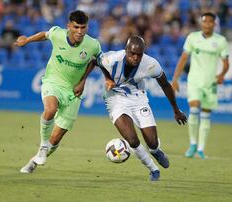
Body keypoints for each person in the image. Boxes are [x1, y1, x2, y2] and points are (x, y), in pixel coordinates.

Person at [75, 36, 187, 181]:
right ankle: (153, 169)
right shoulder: (113, 58)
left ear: (143, 53)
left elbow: (165, 84)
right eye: (132, 54)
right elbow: (95, 60)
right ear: (126, 51)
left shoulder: (151, 64)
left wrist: (176, 110)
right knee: (132, 139)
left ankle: (155, 150)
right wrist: (95, 79)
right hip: (115, 98)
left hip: (138, 98)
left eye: (139, 54)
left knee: (152, 142)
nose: (135, 57)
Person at [16, 10, 102, 173]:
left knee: (55, 140)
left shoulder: (93, 45)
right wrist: (27, 40)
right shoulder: (57, 34)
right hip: (53, 81)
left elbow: (96, 60)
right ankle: (42, 147)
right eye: (76, 27)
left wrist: (83, 81)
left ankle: (33, 161)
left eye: (83, 27)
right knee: (50, 109)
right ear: (68, 26)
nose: (79, 31)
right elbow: (44, 35)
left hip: (73, 93)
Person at [171, 12, 229, 159]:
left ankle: (201, 149)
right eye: (204, 22)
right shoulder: (192, 38)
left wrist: (221, 75)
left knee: (206, 114)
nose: (207, 24)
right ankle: (192, 144)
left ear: (214, 24)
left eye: (210, 22)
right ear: (201, 23)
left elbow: (226, 63)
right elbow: (183, 58)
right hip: (194, 81)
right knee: (194, 108)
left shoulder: (221, 41)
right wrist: (175, 79)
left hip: (210, 83)